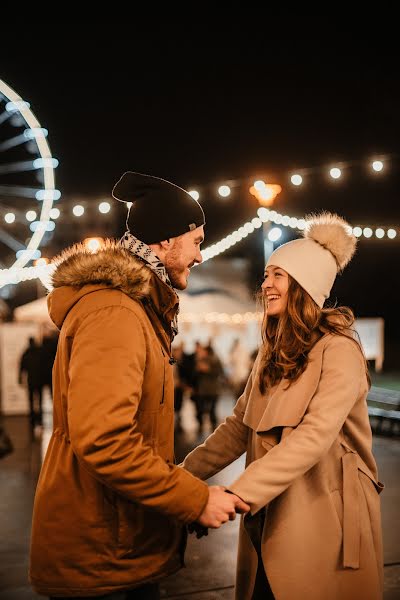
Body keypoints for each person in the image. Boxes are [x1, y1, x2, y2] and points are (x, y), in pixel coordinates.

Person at [29, 172, 249, 600]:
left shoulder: (135, 309)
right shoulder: (116, 312)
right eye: (197, 241)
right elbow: (106, 439)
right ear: (166, 241)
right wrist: (194, 499)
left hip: (119, 538)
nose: (201, 256)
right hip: (103, 547)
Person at [183, 212, 383, 600]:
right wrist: (178, 480)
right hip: (270, 507)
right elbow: (238, 428)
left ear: (305, 285)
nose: (266, 284)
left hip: (325, 514)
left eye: (278, 274)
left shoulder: (339, 350)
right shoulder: (271, 353)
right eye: (266, 274)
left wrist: (237, 494)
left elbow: (313, 436)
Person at [19, 337, 44, 428]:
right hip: (39, 380)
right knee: (39, 399)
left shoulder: (26, 353)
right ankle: (40, 417)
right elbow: (43, 367)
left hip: (31, 381)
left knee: (31, 400)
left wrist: (20, 379)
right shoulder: (40, 352)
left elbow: (22, 368)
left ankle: (32, 416)